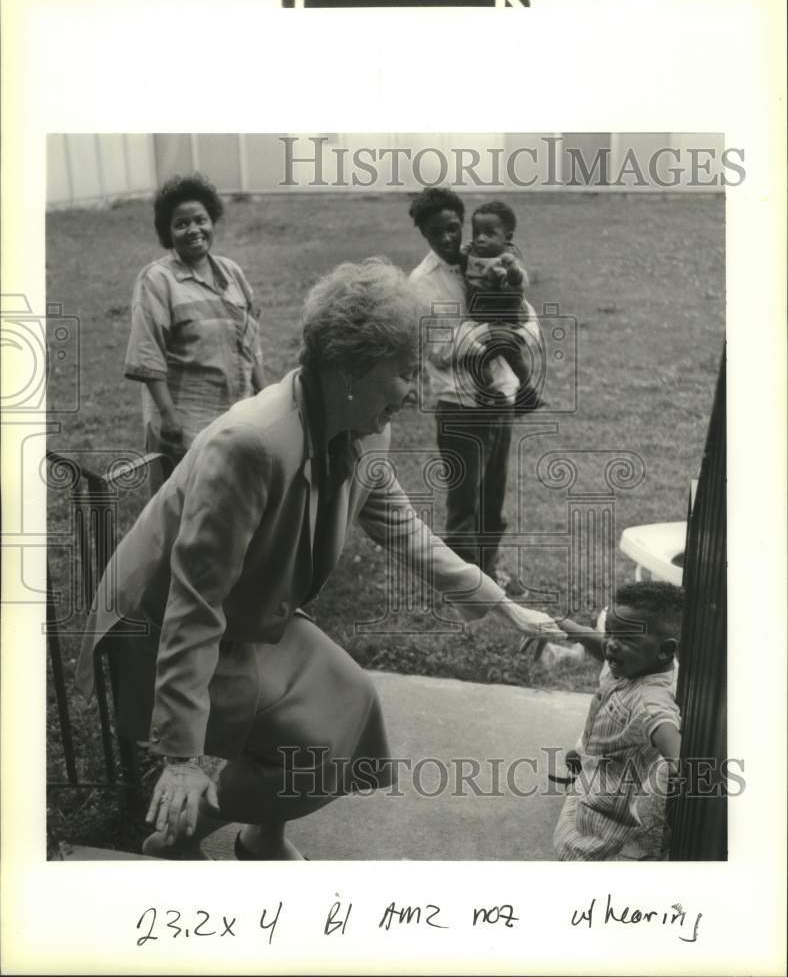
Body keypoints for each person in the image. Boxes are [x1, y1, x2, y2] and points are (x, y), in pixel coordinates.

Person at [76, 258, 564, 860]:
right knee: (299, 750)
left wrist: (502, 605)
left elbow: (404, 532)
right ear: (349, 369)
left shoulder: (364, 428)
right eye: (405, 373)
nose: (413, 394)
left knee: (347, 712)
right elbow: (192, 604)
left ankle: (258, 835)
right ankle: (179, 835)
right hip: (164, 631)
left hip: (251, 609)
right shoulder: (250, 444)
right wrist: (181, 758)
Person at [408, 187, 541, 595]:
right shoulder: (420, 285)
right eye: (435, 233)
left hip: (500, 397)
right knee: (464, 502)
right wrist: (490, 332)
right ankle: (465, 587)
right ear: (424, 236)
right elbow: (440, 349)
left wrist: (512, 333)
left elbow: (527, 320)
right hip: (460, 406)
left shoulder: (485, 258)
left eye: (452, 228)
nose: (447, 239)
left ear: (461, 223)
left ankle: (490, 570)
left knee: (493, 499)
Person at [124, 173, 265, 490]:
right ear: (168, 232)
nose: (194, 230)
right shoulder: (157, 280)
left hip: (235, 415)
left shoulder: (231, 272)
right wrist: (169, 416)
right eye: (181, 224)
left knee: (229, 507)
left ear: (212, 221)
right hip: (185, 423)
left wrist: (264, 395)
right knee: (181, 513)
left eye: (200, 220)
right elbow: (147, 354)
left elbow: (251, 341)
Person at [549, 581, 684, 861]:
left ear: (664, 649)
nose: (611, 644)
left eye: (626, 638)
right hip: (594, 775)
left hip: (610, 811)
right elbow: (601, 646)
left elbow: (664, 727)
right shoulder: (636, 661)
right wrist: (563, 626)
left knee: (582, 856)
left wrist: (680, 767)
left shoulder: (651, 698)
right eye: (610, 631)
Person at [461, 200, 540, 411]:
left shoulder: (507, 260)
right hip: (480, 319)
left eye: (489, 233)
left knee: (508, 352)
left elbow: (517, 285)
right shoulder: (471, 253)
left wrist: (508, 275)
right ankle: (489, 392)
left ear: (507, 238)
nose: (480, 238)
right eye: (476, 232)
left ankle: (527, 390)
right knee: (475, 357)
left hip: (503, 318)